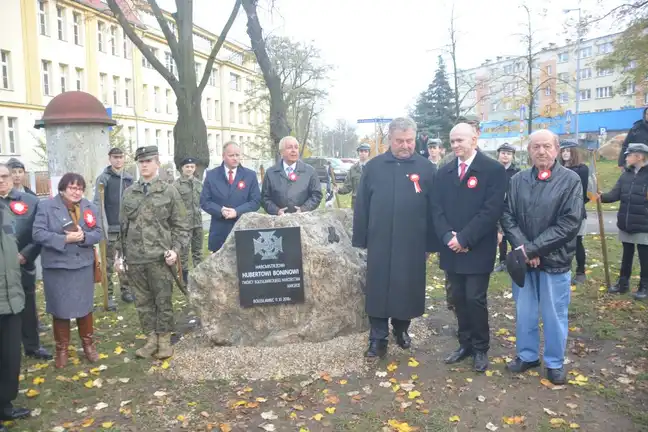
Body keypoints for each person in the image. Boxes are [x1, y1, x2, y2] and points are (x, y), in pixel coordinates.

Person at [353, 117, 439, 358]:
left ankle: (401, 330)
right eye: (400, 141)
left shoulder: (426, 168)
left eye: (409, 140)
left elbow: (435, 208)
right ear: (389, 140)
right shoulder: (373, 167)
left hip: (413, 241)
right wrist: (361, 239)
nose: (405, 145)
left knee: (406, 288)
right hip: (380, 239)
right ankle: (377, 338)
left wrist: (431, 243)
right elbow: (362, 205)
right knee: (378, 288)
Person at [501, 129, 582, 384]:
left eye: (546, 146)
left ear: (556, 149)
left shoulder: (570, 181)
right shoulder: (518, 180)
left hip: (554, 261)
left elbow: (569, 223)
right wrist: (525, 248)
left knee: (554, 314)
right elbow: (507, 215)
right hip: (524, 262)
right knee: (524, 312)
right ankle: (526, 356)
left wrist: (534, 249)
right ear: (529, 151)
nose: (541, 151)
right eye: (535, 146)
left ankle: (555, 362)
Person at [431, 122, 507, 372]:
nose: (455, 146)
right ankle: (464, 343)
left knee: (475, 298)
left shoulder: (493, 169)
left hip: (477, 247)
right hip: (451, 247)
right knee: (458, 298)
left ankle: (480, 347)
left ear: (474, 139)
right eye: (452, 141)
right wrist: (446, 236)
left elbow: (491, 210)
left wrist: (465, 238)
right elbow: (436, 208)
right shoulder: (444, 171)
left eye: (460, 140)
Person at [116, 146, 190, 359]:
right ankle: (151, 339)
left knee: (163, 299)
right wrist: (119, 256)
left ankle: (165, 339)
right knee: (142, 301)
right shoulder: (129, 193)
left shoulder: (169, 191)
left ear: (157, 163)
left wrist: (175, 251)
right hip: (136, 257)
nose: (144, 165)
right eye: (141, 162)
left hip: (160, 258)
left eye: (148, 161)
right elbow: (122, 227)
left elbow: (181, 226)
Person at [32, 173, 103, 368]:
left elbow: (98, 232)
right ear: (62, 188)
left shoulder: (90, 206)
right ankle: (61, 349)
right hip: (57, 267)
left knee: (85, 307)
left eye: (80, 188)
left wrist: (83, 238)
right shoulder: (46, 206)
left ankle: (88, 346)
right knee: (60, 309)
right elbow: (38, 233)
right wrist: (64, 239)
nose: (76, 191)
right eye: (72, 187)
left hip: (82, 265)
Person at [0, 163, 50, 360]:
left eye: (5, 176)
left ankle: (32, 346)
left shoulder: (30, 201)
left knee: (27, 306)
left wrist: (26, 254)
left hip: (22, 264)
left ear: (13, 177)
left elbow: (39, 233)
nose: (1, 180)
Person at [0, 166, 32, 430]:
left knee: (11, 357)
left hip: (11, 298)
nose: (1, 182)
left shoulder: (6, 211)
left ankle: (5, 405)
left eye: (4, 177)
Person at [599, 143, 648, 300]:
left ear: (639, 156)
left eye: (629, 155)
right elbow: (615, 194)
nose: (626, 157)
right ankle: (623, 283)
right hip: (626, 222)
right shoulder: (626, 174)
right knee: (627, 254)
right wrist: (601, 196)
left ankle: (644, 287)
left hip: (644, 223)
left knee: (644, 256)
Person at [93, 147, 134, 310]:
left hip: (125, 229)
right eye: (115, 157)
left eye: (120, 157)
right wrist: (101, 226)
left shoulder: (129, 179)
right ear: (110, 159)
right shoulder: (104, 179)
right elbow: (97, 202)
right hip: (109, 229)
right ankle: (108, 295)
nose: (118, 160)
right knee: (108, 264)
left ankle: (126, 290)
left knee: (125, 262)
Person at [201, 142, 261, 252]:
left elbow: (256, 201)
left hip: (243, 228)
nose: (235, 158)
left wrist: (237, 211)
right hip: (220, 230)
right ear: (223, 156)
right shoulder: (212, 175)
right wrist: (221, 210)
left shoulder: (250, 175)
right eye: (231, 155)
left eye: (237, 155)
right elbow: (205, 201)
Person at [261, 136, 322, 215]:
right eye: (289, 147)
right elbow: (264, 198)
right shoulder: (271, 173)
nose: (294, 150)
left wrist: (303, 209)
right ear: (281, 152)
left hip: (304, 220)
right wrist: (276, 211)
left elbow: (317, 195)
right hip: (278, 221)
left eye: (296, 147)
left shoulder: (310, 171)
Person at [559, 140, 589, 285]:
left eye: (568, 151)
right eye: (563, 151)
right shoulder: (556, 168)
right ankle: (564, 269)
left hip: (575, 211)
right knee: (561, 242)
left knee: (577, 242)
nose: (565, 153)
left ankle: (580, 271)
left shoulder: (581, 169)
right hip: (558, 212)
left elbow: (584, 194)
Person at [174, 157, 203, 282]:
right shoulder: (176, 185)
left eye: (192, 167)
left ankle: (198, 277)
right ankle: (184, 279)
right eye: (187, 167)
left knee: (198, 252)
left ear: (195, 168)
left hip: (198, 223)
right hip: (184, 226)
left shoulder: (199, 184)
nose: (189, 169)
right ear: (182, 168)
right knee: (183, 253)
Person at [494, 143, 520, 272]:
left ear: (512, 156)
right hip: (496, 205)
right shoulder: (492, 169)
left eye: (509, 154)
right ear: (498, 154)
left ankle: (516, 260)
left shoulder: (517, 172)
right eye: (503, 153)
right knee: (500, 235)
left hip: (511, 206)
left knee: (512, 233)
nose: (505, 156)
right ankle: (502, 261)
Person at [337, 143, 371, 208]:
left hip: (370, 202)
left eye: (366, 151)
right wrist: (339, 190)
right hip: (357, 203)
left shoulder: (373, 167)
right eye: (361, 151)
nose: (363, 153)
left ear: (368, 153)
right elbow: (348, 187)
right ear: (358, 153)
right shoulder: (353, 169)